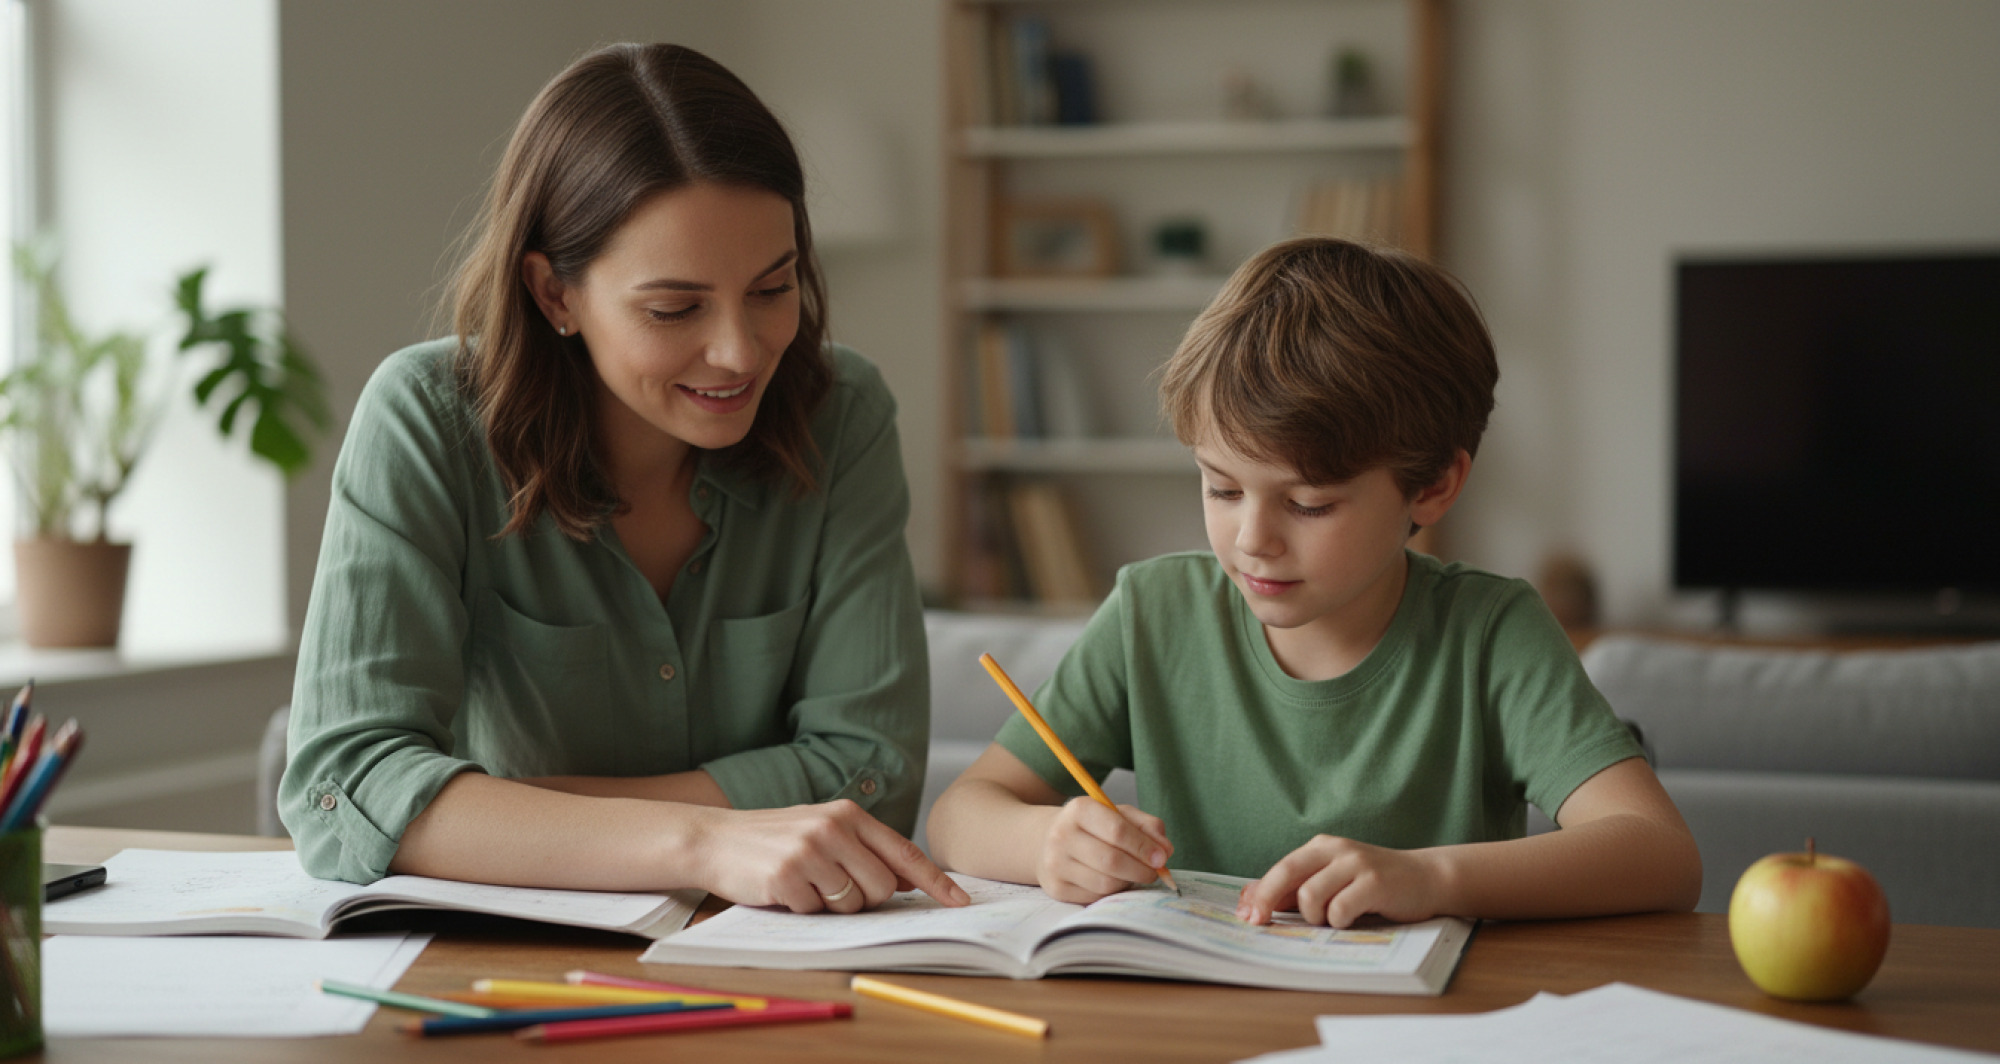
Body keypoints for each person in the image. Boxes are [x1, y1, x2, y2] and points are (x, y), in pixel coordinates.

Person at [280, 43, 968, 916]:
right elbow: (343, 790)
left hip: (778, 944)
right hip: (497, 956)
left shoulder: (844, 412)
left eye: (773, 287)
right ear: (554, 294)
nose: (740, 351)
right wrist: (703, 841)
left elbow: (871, 777)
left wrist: (502, 810)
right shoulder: (424, 421)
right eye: (674, 308)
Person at [925, 237, 1701, 928]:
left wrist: (1433, 876)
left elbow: (1661, 853)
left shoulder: (1491, 634)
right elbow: (959, 815)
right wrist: (1045, 840)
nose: (1252, 539)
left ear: (1433, 485)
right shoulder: (1151, 616)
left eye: (1307, 503)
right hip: (1192, 1023)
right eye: (1222, 487)